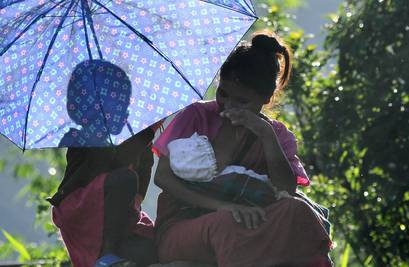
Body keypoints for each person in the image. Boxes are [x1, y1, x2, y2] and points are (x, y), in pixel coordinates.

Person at [152, 32, 333, 267]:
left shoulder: (276, 135)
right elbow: (163, 177)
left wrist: (265, 135)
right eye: (223, 94)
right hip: (185, 227)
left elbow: (286, 189)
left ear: (266, 99)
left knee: (297, 210)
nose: (228, 105)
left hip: (250, 223)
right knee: (228, 225)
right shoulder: (196, 116)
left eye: (242, 101)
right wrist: (224, 207)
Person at [48, 60, 159, 267]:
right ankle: (106, 254)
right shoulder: (82, 139)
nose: (125, 113)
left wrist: (146, 140)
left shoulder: (135, 140)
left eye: (127, 106)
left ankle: (112, 254)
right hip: (80, 208)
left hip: (113, 218)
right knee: (124, 179)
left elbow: (140, 183)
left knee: (149, 249)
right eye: (119, 106)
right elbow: (116, 159)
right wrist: (147, 132)